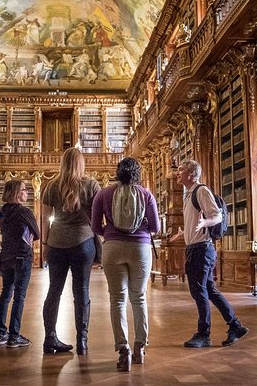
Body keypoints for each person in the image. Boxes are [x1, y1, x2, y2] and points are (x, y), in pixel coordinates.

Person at [91, 157, 160, 371]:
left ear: (117, 172)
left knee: (117, 299)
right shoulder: (146, 194)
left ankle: (123, 350)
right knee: (139, 298)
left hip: (112, 248)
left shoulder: (103, 194)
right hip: (140, 248)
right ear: (137, 174)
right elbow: (155, 226)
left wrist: (111, 233)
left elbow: (95, 226)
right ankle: (140, 346)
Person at [171, 160, 249, 348]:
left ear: (191, 174)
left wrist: (205, 224)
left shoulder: (201, 191)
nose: (177, 173)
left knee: (199, 291)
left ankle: (203, 334)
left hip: (202, 249)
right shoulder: (189, 194)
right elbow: (195, 221)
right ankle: (235, 326)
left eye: (181, 170)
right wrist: (184, 233)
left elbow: (217, 215)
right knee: (209, 290)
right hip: (195, 248)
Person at [41, 147, 100, 355]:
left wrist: (45, 244)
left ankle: (50, 339)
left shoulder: (50, 185)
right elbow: (98, 217)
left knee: (53, 291)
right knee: (81, 291)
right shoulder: (91, 184)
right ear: (81, 163)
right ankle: (82, 340)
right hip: (84, 243)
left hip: (56, 244)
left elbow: (45, 220)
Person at [0, 180, 40, 348]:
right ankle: (14, 336)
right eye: (23, 190)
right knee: (19, 296)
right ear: (16, 193)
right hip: (22, 257)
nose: (26, 192)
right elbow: (38, 233)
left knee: (6, 294)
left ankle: (0, 334)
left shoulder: (3, 211)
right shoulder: (24, 212)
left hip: (6, 258)